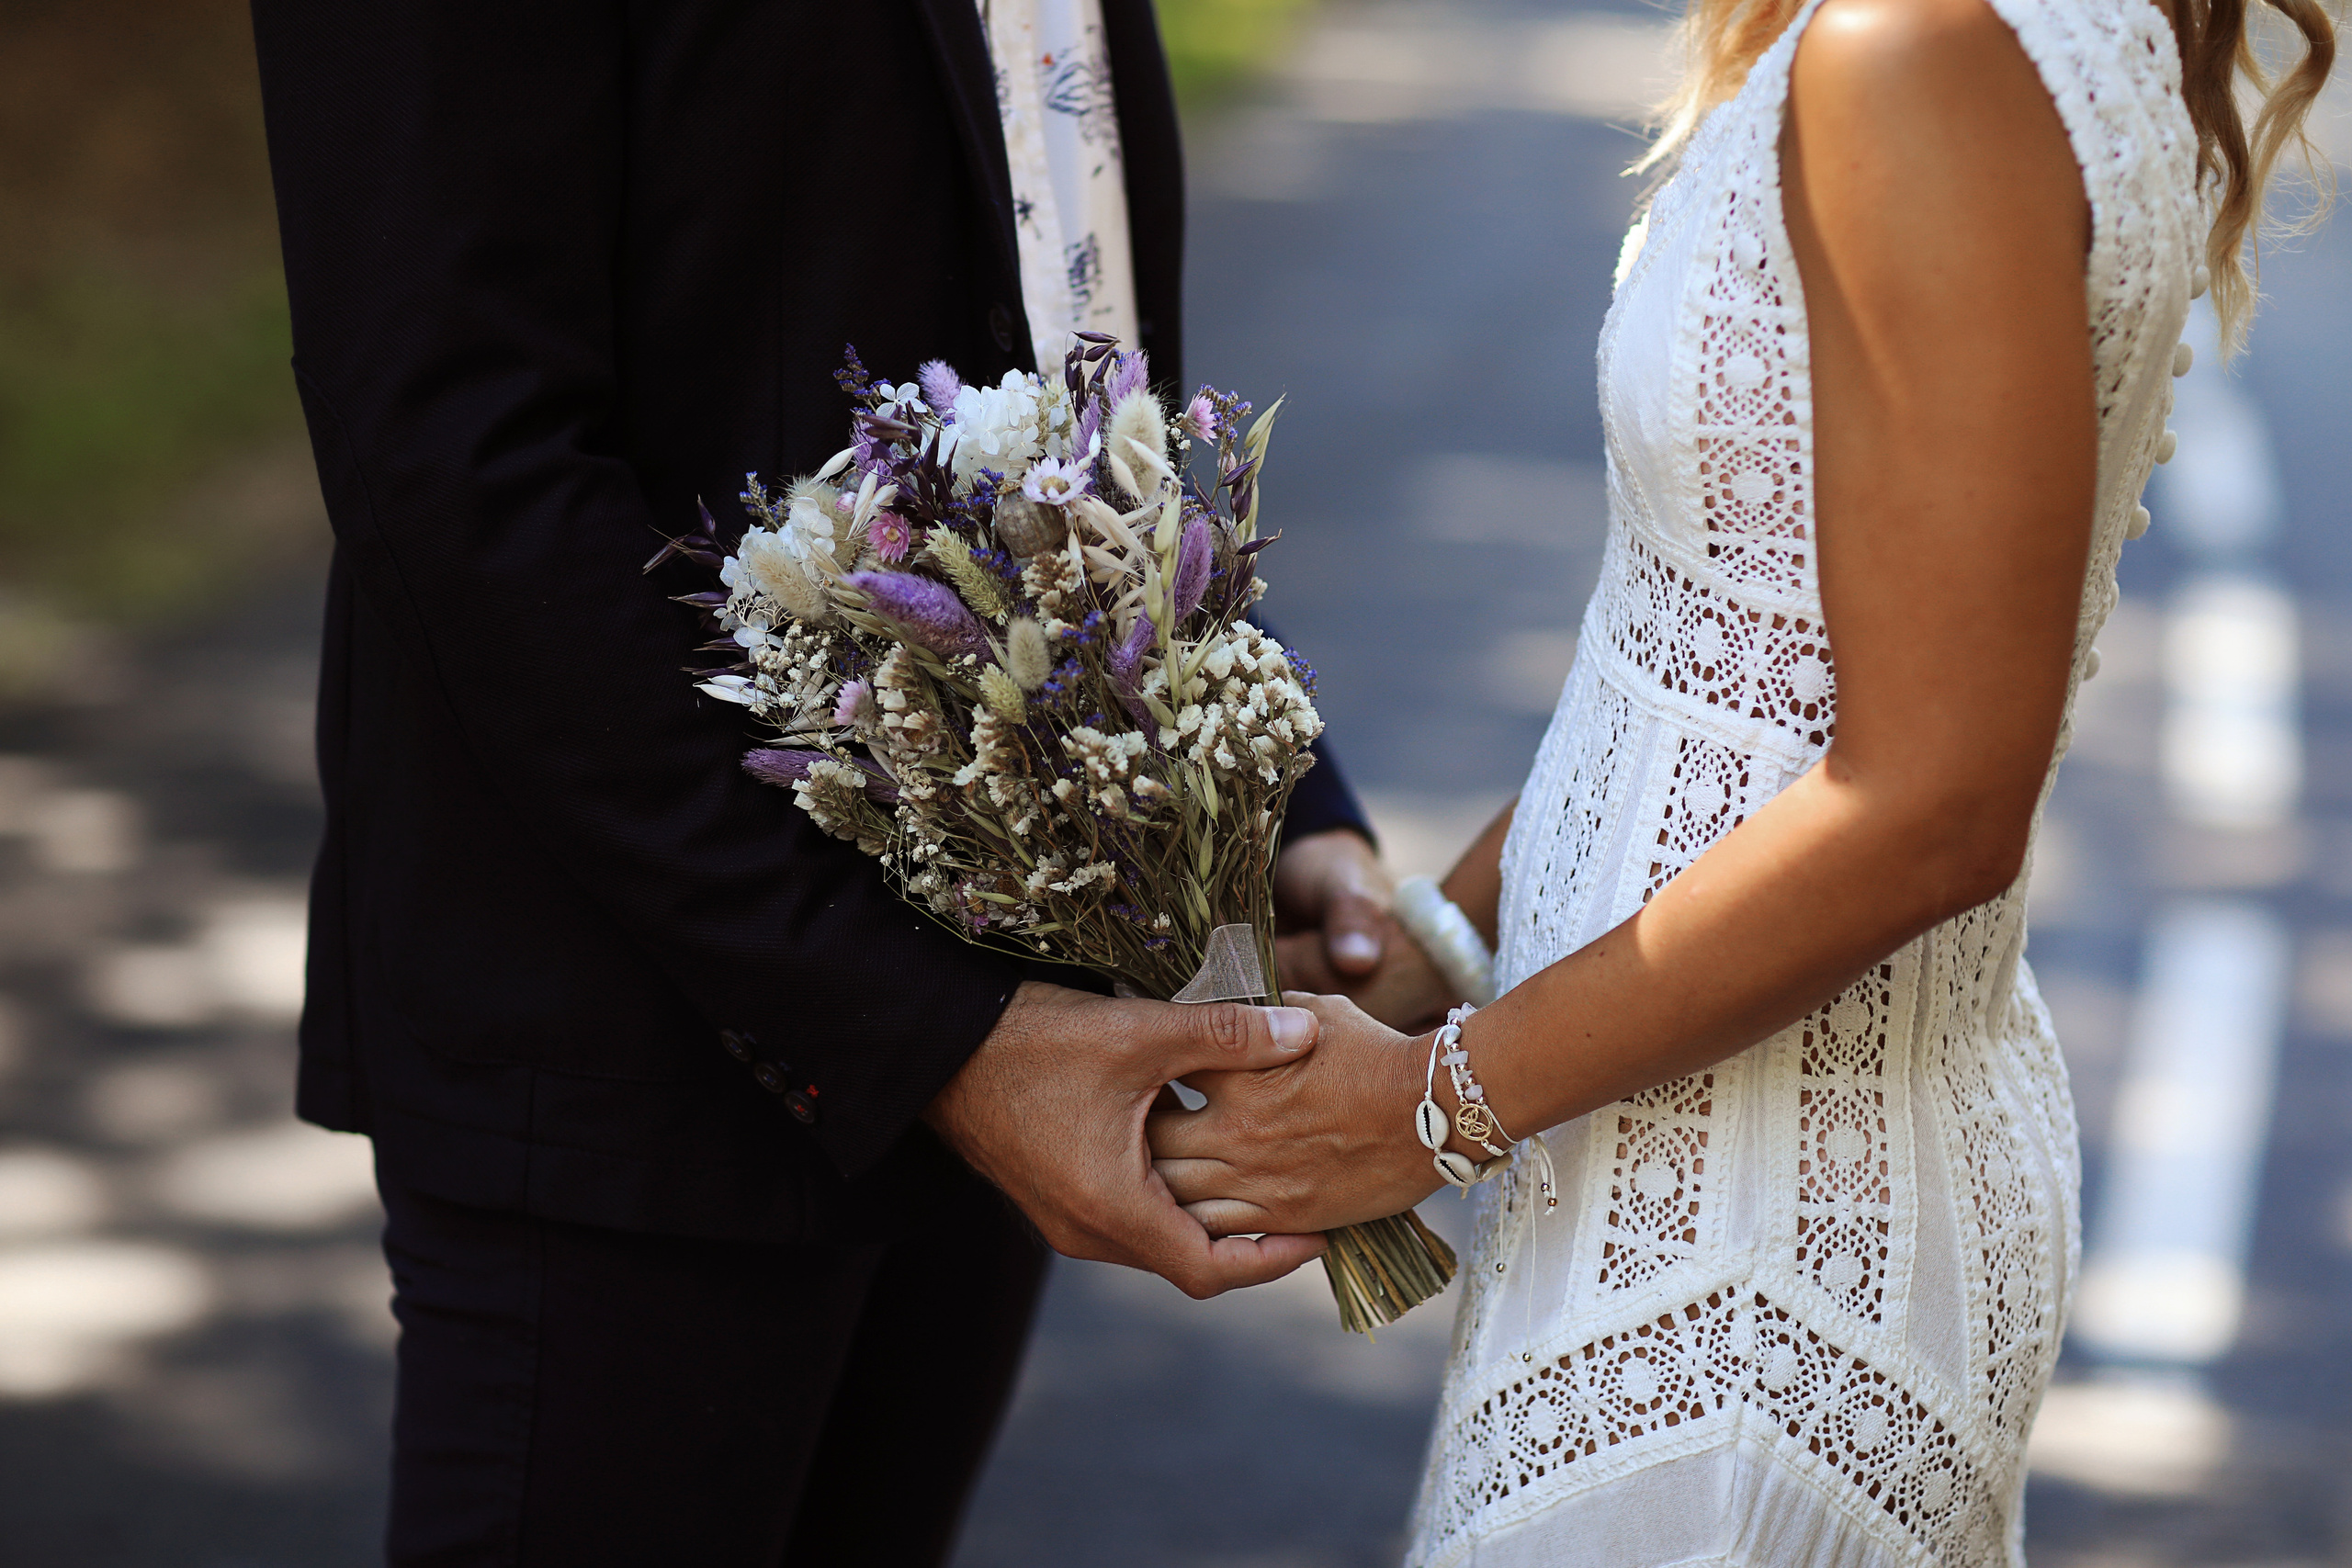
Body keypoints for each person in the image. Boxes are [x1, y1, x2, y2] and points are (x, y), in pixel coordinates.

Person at [1165, 0, 2338, 1561]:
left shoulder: (1921, 44)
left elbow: (1933, 803)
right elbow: (1726, 662)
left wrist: (1432, 1111)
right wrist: (1435, 956)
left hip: (1755, 1252)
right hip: (1678, 1148)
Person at [247, 1, 1381, 1562]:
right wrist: (924, 1035)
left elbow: (1058, 304)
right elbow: (455, 456)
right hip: (637, 1026)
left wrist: (1261, 801)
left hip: (1025, 947)